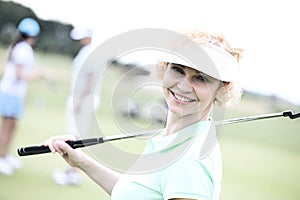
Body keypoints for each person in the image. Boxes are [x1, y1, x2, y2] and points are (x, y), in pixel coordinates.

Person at [45, 30, 243, 199]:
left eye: (200, 78)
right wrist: (80, 161)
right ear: (164, 69)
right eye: (178, 70)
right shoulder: (171, 138)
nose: (183, 86)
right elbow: (133, 194)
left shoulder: (190, 158)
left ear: (221, 89)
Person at [52, 27, 99, 185]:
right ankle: (72, 171)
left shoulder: (89, 52)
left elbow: (91, 78)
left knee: (76, 136)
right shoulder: (87, 51)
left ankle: (73, 174)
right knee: (75, 134)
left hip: (83, 99)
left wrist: (79, 99)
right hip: (82, 98)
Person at [0, 17, 47, 176]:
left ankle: (5, 156)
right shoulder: (23, 48)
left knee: (10, 127)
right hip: (11, 93)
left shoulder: (19, 46)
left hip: (12, 93)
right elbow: (20, 74)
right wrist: (38, 75)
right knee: (7, 127)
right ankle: (1, 158)